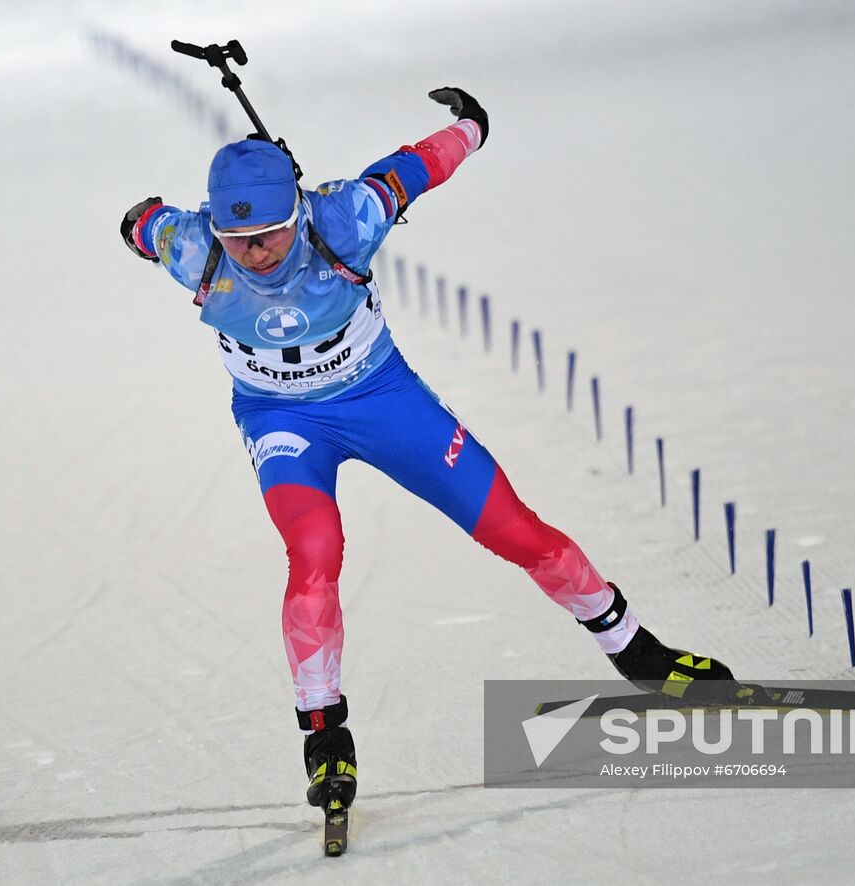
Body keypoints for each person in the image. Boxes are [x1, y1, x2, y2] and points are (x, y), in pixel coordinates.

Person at [120, 87, 746, 812]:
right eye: (239, 239)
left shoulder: (345, 218)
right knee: (315, 552)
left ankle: (635, 650)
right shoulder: (192, 246)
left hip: (382, 400)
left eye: (270, 233)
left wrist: (472, 128)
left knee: (516, 530)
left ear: (298, 213)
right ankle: (325, 734)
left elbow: (417, 168)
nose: (254, 253)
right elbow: (142, 224)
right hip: (281, 421)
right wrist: (140, 220)